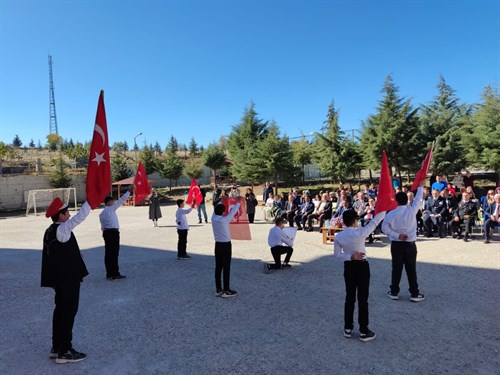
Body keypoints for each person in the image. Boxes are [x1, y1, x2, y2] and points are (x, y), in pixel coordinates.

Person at [41, 197, 91, 364]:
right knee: (68, 313)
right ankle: (65, 351)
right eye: (67, 212)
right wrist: (90, 200)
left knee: (60, 312)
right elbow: (81, 216)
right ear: (61, 216)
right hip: (68, 279)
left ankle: (56, 347)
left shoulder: (50, 230)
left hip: (59, 279)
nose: (69, 214)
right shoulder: (62, 229)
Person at [334, 209, 386, 342]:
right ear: (355, 221)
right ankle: (363, 330)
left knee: (350, 297)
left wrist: (350, 257)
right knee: (363, 298)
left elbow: (338, 255)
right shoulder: (360, 232)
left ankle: (348, 327)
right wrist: (383, 209)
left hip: (349, 266)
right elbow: (374, 222)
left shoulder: (339, 236)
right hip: (362, 266)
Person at [382, 179, 426, 302]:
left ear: (396, 201)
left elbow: (384, 227)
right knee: (411, 269)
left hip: (396, 244)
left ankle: (394, 291)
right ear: (407, 200)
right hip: (410, 245)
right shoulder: (411, 211)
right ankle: (414, 293)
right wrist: (420, 187)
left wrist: (396, 235)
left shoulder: (391, 214)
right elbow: (418, 199)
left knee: (396, 268)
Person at [99, 186, 133, 280]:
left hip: (106, 233)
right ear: (109, 202)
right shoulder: (111, 209)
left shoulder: (101, 214)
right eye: (113, 202)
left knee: (108, 254)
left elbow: (102, 226)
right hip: (113, 233)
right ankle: (115, 273)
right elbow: (121, 200)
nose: (114, 203)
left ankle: (109, 273)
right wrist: (129, 191)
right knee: (114, 253)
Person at [211, 197, 241, 298]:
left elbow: (216, 209)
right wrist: (239, 202)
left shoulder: (213, 218)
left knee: (218, 267)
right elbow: (233, 211)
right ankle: (226, 290)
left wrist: (221, 201)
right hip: (226, 245)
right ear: (223, 212)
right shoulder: (224, 220)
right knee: (226, 267)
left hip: (217, 244)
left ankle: (218, 289)